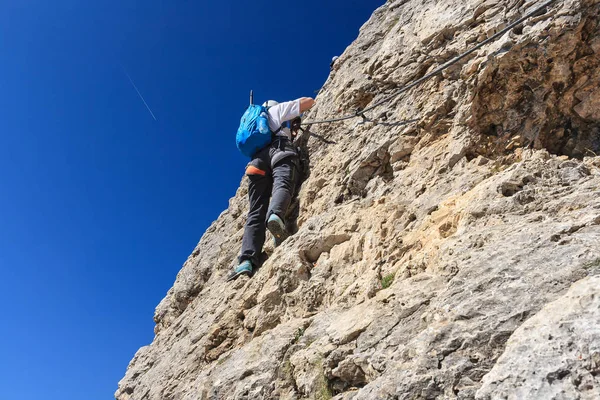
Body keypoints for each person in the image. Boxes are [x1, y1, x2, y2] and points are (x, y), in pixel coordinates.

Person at [227, 97, 316, 281]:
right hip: (279, 151)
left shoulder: (255, 125)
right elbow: (308, 102)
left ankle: (246, 260)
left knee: (255, 211)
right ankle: (275, 216)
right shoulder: (275, 112)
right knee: (282, 183)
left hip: (256, 164)